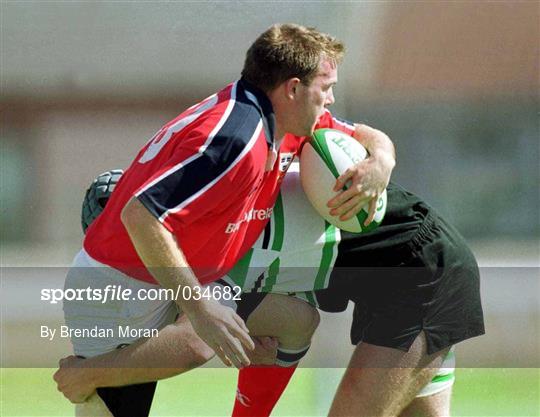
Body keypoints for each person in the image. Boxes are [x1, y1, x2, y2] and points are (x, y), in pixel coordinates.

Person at [58, 23, 396, 415]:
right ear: (292, 88)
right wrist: (199, 309)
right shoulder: (237, 139)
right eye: (326, 88)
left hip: (176, 275)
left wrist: (381, 162)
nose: (331, 99)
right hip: (120, 284)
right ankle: (87, 375)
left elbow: (370, 137)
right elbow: (141, 215)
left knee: (296, 320)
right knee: (201, 335)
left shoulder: (288, 120)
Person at [56, 163, 484, 417]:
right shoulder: (188, 213)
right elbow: (297, 323)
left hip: (421, 271)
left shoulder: (201, 238)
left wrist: (89, 373)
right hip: (404, 269)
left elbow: (192, 343)